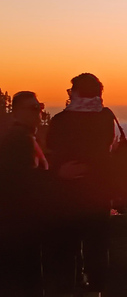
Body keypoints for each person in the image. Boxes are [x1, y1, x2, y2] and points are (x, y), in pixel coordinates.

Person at [45, 74, 116, 297]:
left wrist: (61, 171)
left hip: (66, 194)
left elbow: (51, 151)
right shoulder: (105, 117)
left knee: (65, 249)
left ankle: (66, 290)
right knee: (97, 247)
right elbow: (105, 150)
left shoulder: (60, 120)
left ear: (74, 92)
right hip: (98, 193)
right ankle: (96, 292)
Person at [0, 92, 48, 297]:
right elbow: (27, 182)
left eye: (40, 107)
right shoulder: (21, 140)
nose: (39, 112)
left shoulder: (24, 137)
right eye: (33, 108)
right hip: (21, 226)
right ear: (17, 112)